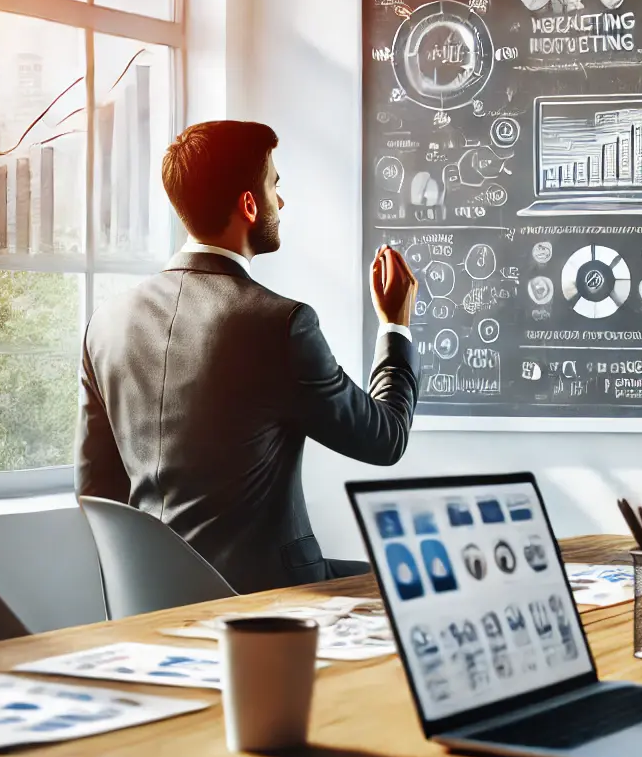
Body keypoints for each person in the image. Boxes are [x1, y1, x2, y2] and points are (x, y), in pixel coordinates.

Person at [76, 120, 419, 593]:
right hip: (263, 602)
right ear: (249, 204)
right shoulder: (280, 324)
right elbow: (385, 439)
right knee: (413, 587)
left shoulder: (106, 323)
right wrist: (395, 325)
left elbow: (96, 490)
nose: (282, 201)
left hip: (147, 596)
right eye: (274, 185)